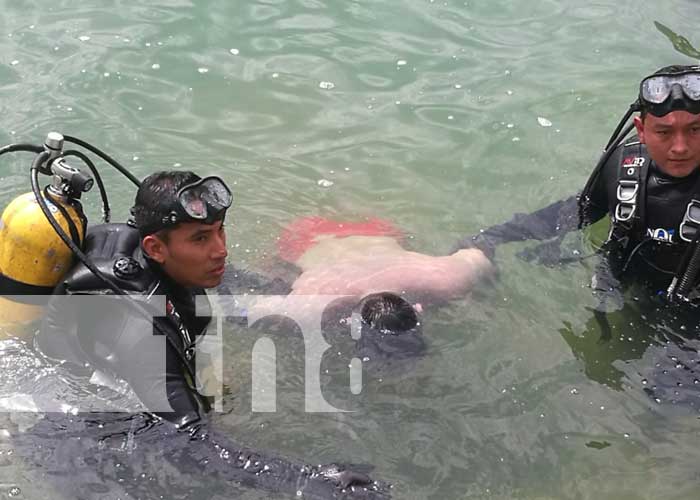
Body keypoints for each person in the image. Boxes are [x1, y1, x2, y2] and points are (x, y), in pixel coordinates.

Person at [37, 171, 390, 499]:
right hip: (71, 445)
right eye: (202, 238)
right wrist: (306, 480)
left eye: (221, 230)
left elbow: (239, 281)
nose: (220, 249)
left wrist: (310, 298)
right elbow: (190, 444)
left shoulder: (153, 255)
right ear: (155, 248)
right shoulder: (145, 336)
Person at [454, 64, 700, 308]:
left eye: (695, 129)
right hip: (625, 285)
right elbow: (580, 211)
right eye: (664, 132)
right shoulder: (622, 166)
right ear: (641, 130)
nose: (680, 147)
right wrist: (496, 236)